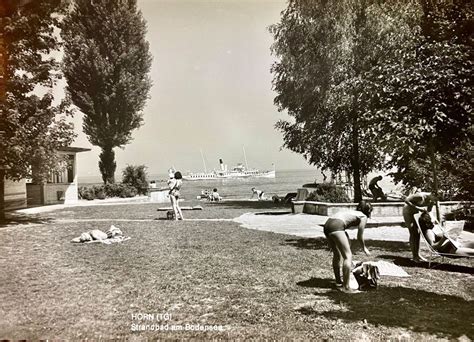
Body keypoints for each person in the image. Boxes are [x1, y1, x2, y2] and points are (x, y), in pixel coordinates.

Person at [323, 200, 372, 293]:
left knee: (337, 254)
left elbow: (344, 223)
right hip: (337, 226)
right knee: (348, 256)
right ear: (369, 211)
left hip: (327, 225)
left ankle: (338, 283)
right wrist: (364, 248)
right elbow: (359, 236)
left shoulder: (353, 212)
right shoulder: (363, 216)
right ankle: (346, 287)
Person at [402, 192, 437, 262]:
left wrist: (432, 218)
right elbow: (406, 200)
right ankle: (414, 256)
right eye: (437, 198)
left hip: (416, 213)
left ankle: (417, 254)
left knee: (418, 233)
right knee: (413, 232)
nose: (437, 200)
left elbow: (429, 211)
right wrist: (418, 208)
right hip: (408, 212)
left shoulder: (432, 200)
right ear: (433, 194)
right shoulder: (420, 196)